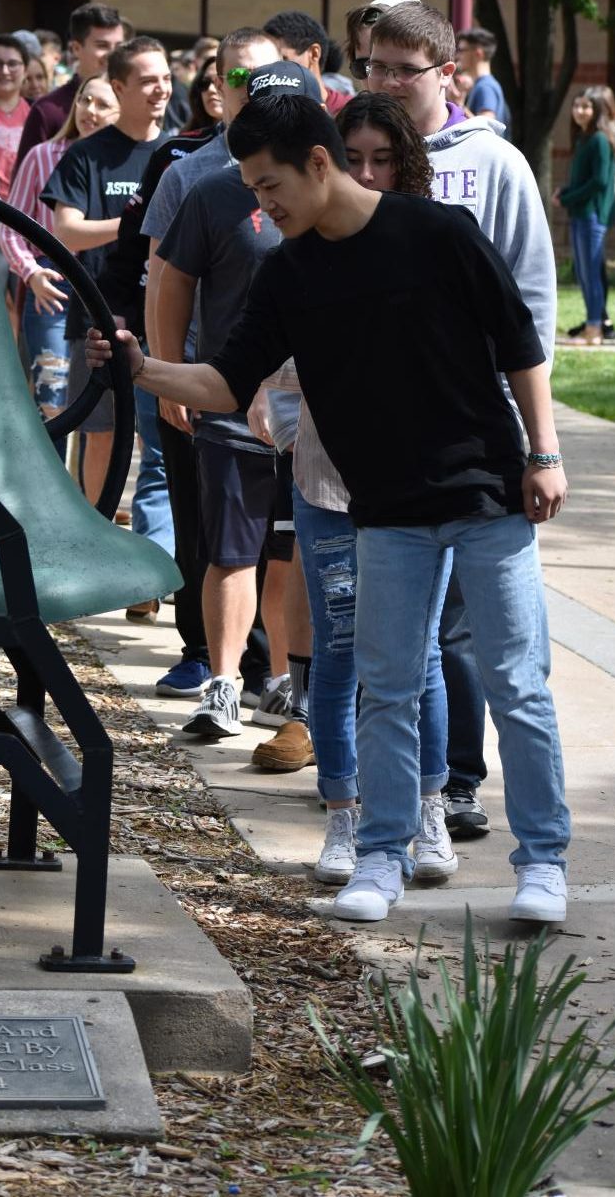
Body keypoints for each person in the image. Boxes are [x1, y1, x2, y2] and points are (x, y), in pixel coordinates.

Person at [88, 92, 572, 927]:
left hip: (487, 495)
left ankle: (542, 862)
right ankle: (379, 856)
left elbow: (519, 340)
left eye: (269, 183)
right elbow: (225, 382)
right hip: (382, 510)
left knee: (515, 683)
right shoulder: (289, 271)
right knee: (382, 689)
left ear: (320, 162)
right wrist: (143, 369)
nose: (261, 203)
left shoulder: (438, 232)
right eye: (251, 187)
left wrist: (543, 450)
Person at [367, 0, 558, 839]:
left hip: (480, 436)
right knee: (389, 652)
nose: (384, 83)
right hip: (385, 445)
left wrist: (534, 437)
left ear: (444, 73)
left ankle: (462, 781)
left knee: (473, 634)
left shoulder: (493, 164)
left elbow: (532, 306)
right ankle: (399, 804)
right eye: (373, 66)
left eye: (401, 71)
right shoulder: (357, 157)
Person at [253, 93, 454, 884]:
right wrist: (279, 401)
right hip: (327, 484)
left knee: (418, 654)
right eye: (354, 156)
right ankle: (343, 818)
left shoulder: (433, 244)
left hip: (419, 490)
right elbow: (262, 361)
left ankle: (425, 808)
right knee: (336, 652)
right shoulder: (299, 255)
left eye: (382, 158)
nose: (366, 172)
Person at [156, 60, 320, 738]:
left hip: (318, 411)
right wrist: (167, 371)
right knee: (230, 549)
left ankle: (288, 685)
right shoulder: (215, 194)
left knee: (299, 549)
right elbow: (169, 282)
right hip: (227, 395)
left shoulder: (336, 192)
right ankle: (222, 684)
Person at [138, 28, 281, 700]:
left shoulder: (314, 172)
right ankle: (202, 652)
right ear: (214, 86)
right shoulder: (188, 174)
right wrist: (165, 371)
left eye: (259, 78)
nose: (246, 92)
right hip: (200, 374)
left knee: (276, 542)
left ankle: (270, 672)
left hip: (283, 392)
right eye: (234, 79)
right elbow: (159, 278)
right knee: (206, 525)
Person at [42, 35, 172, 505]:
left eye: (166, 79)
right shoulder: (87, 154)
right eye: (147, 81)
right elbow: (67, 231)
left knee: (160, 438)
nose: (161, 89)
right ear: (118, 86)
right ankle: (98, 531)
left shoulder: (182, 149)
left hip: (169, 313)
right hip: (103, 315)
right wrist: (139, 225)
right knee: (102, 431)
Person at [1, 73, 120, 430]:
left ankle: (82, 487)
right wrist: (31, 273)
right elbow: (11, 228)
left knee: (98, 414)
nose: (90, 110)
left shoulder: (124, 162)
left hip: (110, 285)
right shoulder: (42, 156)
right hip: (54, 285)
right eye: (85, 100)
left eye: (103, 104)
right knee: (52, 402)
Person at [14, 3, 124, 174]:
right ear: (76, 48)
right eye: (102, 45)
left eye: (118, 46)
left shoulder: (132, 104)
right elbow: (24, 181)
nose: (112, 54)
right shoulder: (47, 110)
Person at [557, 87, 615, 347]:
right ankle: (592, 325)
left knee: (591, 272)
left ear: (596, 111)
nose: (580, 111)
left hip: (592, 216)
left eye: (586, 106)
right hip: (579, 213)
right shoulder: (583, 138)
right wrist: (566, 192)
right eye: (576, 106)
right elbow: (583, 179)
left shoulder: (600, 140)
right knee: (583, 272)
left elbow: (599, 182)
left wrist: (568, 198)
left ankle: (594, 329)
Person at [263, 10, 353, 113]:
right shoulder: (260, 113)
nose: (272, 70)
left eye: (282, 60)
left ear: (314, 54)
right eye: (266, 62)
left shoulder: (350, 115)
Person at [0, 34, 32, 199]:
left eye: (12, 64)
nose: (4, 71)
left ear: (25, 70)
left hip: (23, 204)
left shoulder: (36, 113)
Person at [456, 27, 512, 135]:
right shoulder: (482, 85)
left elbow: (486, 130)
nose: (457, 56)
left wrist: (459, 105)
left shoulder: (485, 88)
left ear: (478, 53)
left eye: (462, 50)